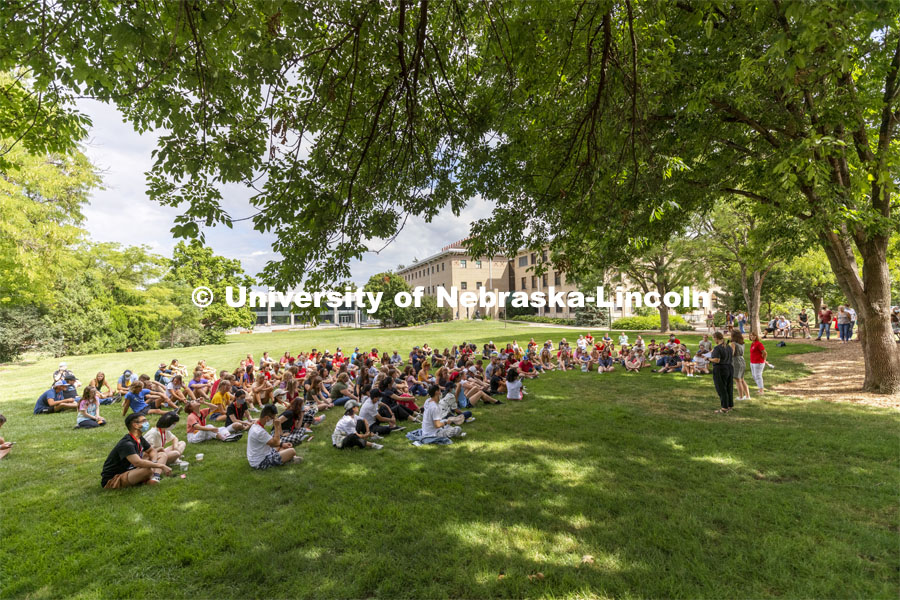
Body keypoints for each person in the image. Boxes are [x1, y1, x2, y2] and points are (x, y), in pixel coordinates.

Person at [100, 412, 172, 489]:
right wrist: (160, 465)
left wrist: (154, 462)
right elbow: (137, 462)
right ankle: (148, 478)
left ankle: (155, 477)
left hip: (132, 470)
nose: (147, 423)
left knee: (162, 455)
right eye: (144, 421)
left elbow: (152, 451)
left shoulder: (139, 438)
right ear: (135, 425)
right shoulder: (126, 444)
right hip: (114, 478)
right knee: (147, 470)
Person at [709, 332, 734, 413]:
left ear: (716, 338)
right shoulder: (728, 347)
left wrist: (708, 359)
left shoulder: (717, 348)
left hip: (720, 369)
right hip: (729, 367)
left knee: (721, 388)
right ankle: (730, 405)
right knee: (728, 387)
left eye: (713, 338)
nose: (714, 340)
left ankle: (724, 408)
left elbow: (717, 360)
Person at [731, 330, 749, 401]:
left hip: (736, 361)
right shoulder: (742, 343)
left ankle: (741, 397)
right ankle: (747, 396)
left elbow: (732, 353)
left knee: (738, 380)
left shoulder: (733, 343)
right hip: (742, 360)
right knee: (742, 379)